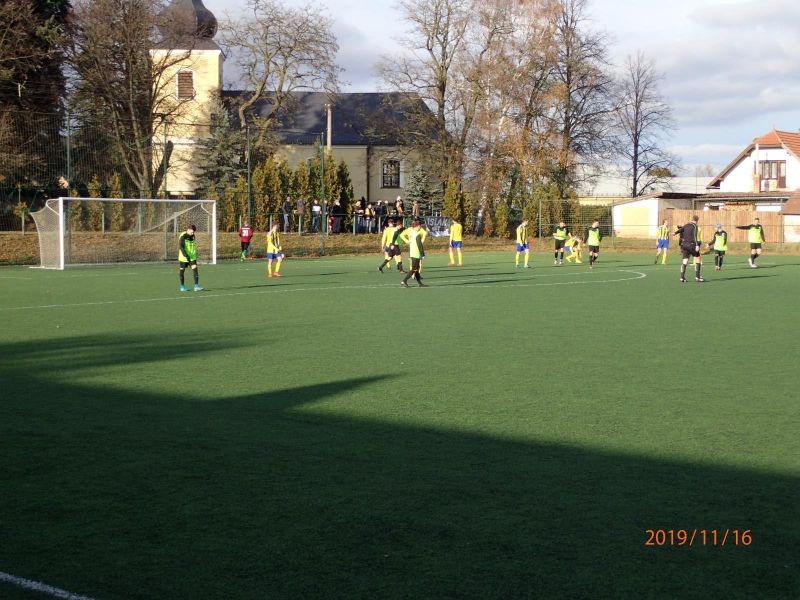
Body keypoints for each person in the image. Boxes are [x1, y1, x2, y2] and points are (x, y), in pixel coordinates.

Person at [674, 214, 704, 283]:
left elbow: (681, 230)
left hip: (684, 245)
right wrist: (696, 245)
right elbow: (694, 236)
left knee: (685, 261)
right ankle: (697, 277)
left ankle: (682, 277)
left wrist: (675, 233)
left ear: (692, 219)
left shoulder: (686, 225)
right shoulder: (695, 226)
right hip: (692, 245)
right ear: (697, 221)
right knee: (698, 258)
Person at [400, 218, 426, 287]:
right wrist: (422, 254)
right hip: (416, 253)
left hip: (412, 252)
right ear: (417, 226)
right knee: (414, 269)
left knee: (416, 268)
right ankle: (404, 280)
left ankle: (420, 283)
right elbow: (419, 245)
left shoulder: (411, 233)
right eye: (419, 226)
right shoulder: (417, 234)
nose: (420, 228)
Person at [178, 224, 203, 292]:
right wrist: (186, 255)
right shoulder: (183, 236)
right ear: (188, 230)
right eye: (192, 232)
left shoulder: (193, 236)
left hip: (192, 256)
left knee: (195, 269)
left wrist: (193, 254)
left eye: (193, 232)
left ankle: (196, 286)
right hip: (184, 257)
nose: (193, 233)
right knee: (182, 270)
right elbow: (181, 247)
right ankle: (182, 286)